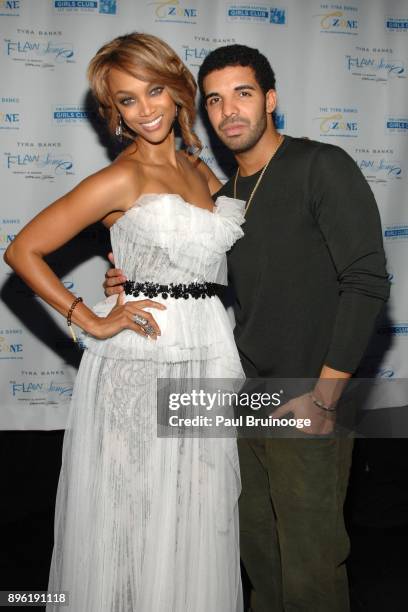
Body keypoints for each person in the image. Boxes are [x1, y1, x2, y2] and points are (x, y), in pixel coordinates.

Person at [105, 45, 390, 611]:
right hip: (241, 397)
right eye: (215, 99)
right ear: (204, 113)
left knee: (310, 567)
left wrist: (327, 395)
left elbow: (366, 281)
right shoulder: (221, 199)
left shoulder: (320, 165)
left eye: (244, 93)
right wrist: (131, 278)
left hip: (310, 396)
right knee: (258, 558)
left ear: (271, 99)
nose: (229, 110)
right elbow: (190, 269)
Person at [3, 34, 246, 612]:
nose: (146, 110)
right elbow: (23, 251)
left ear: (178, 90)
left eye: (155, 91)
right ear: (114, 111)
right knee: (135, 517)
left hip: (205, 357)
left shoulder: (202, 173)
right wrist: (89, 318)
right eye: (127, 101)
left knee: (194, 516)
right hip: (141, 365)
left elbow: (210, 260)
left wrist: (133, 272)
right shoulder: (123, 177)